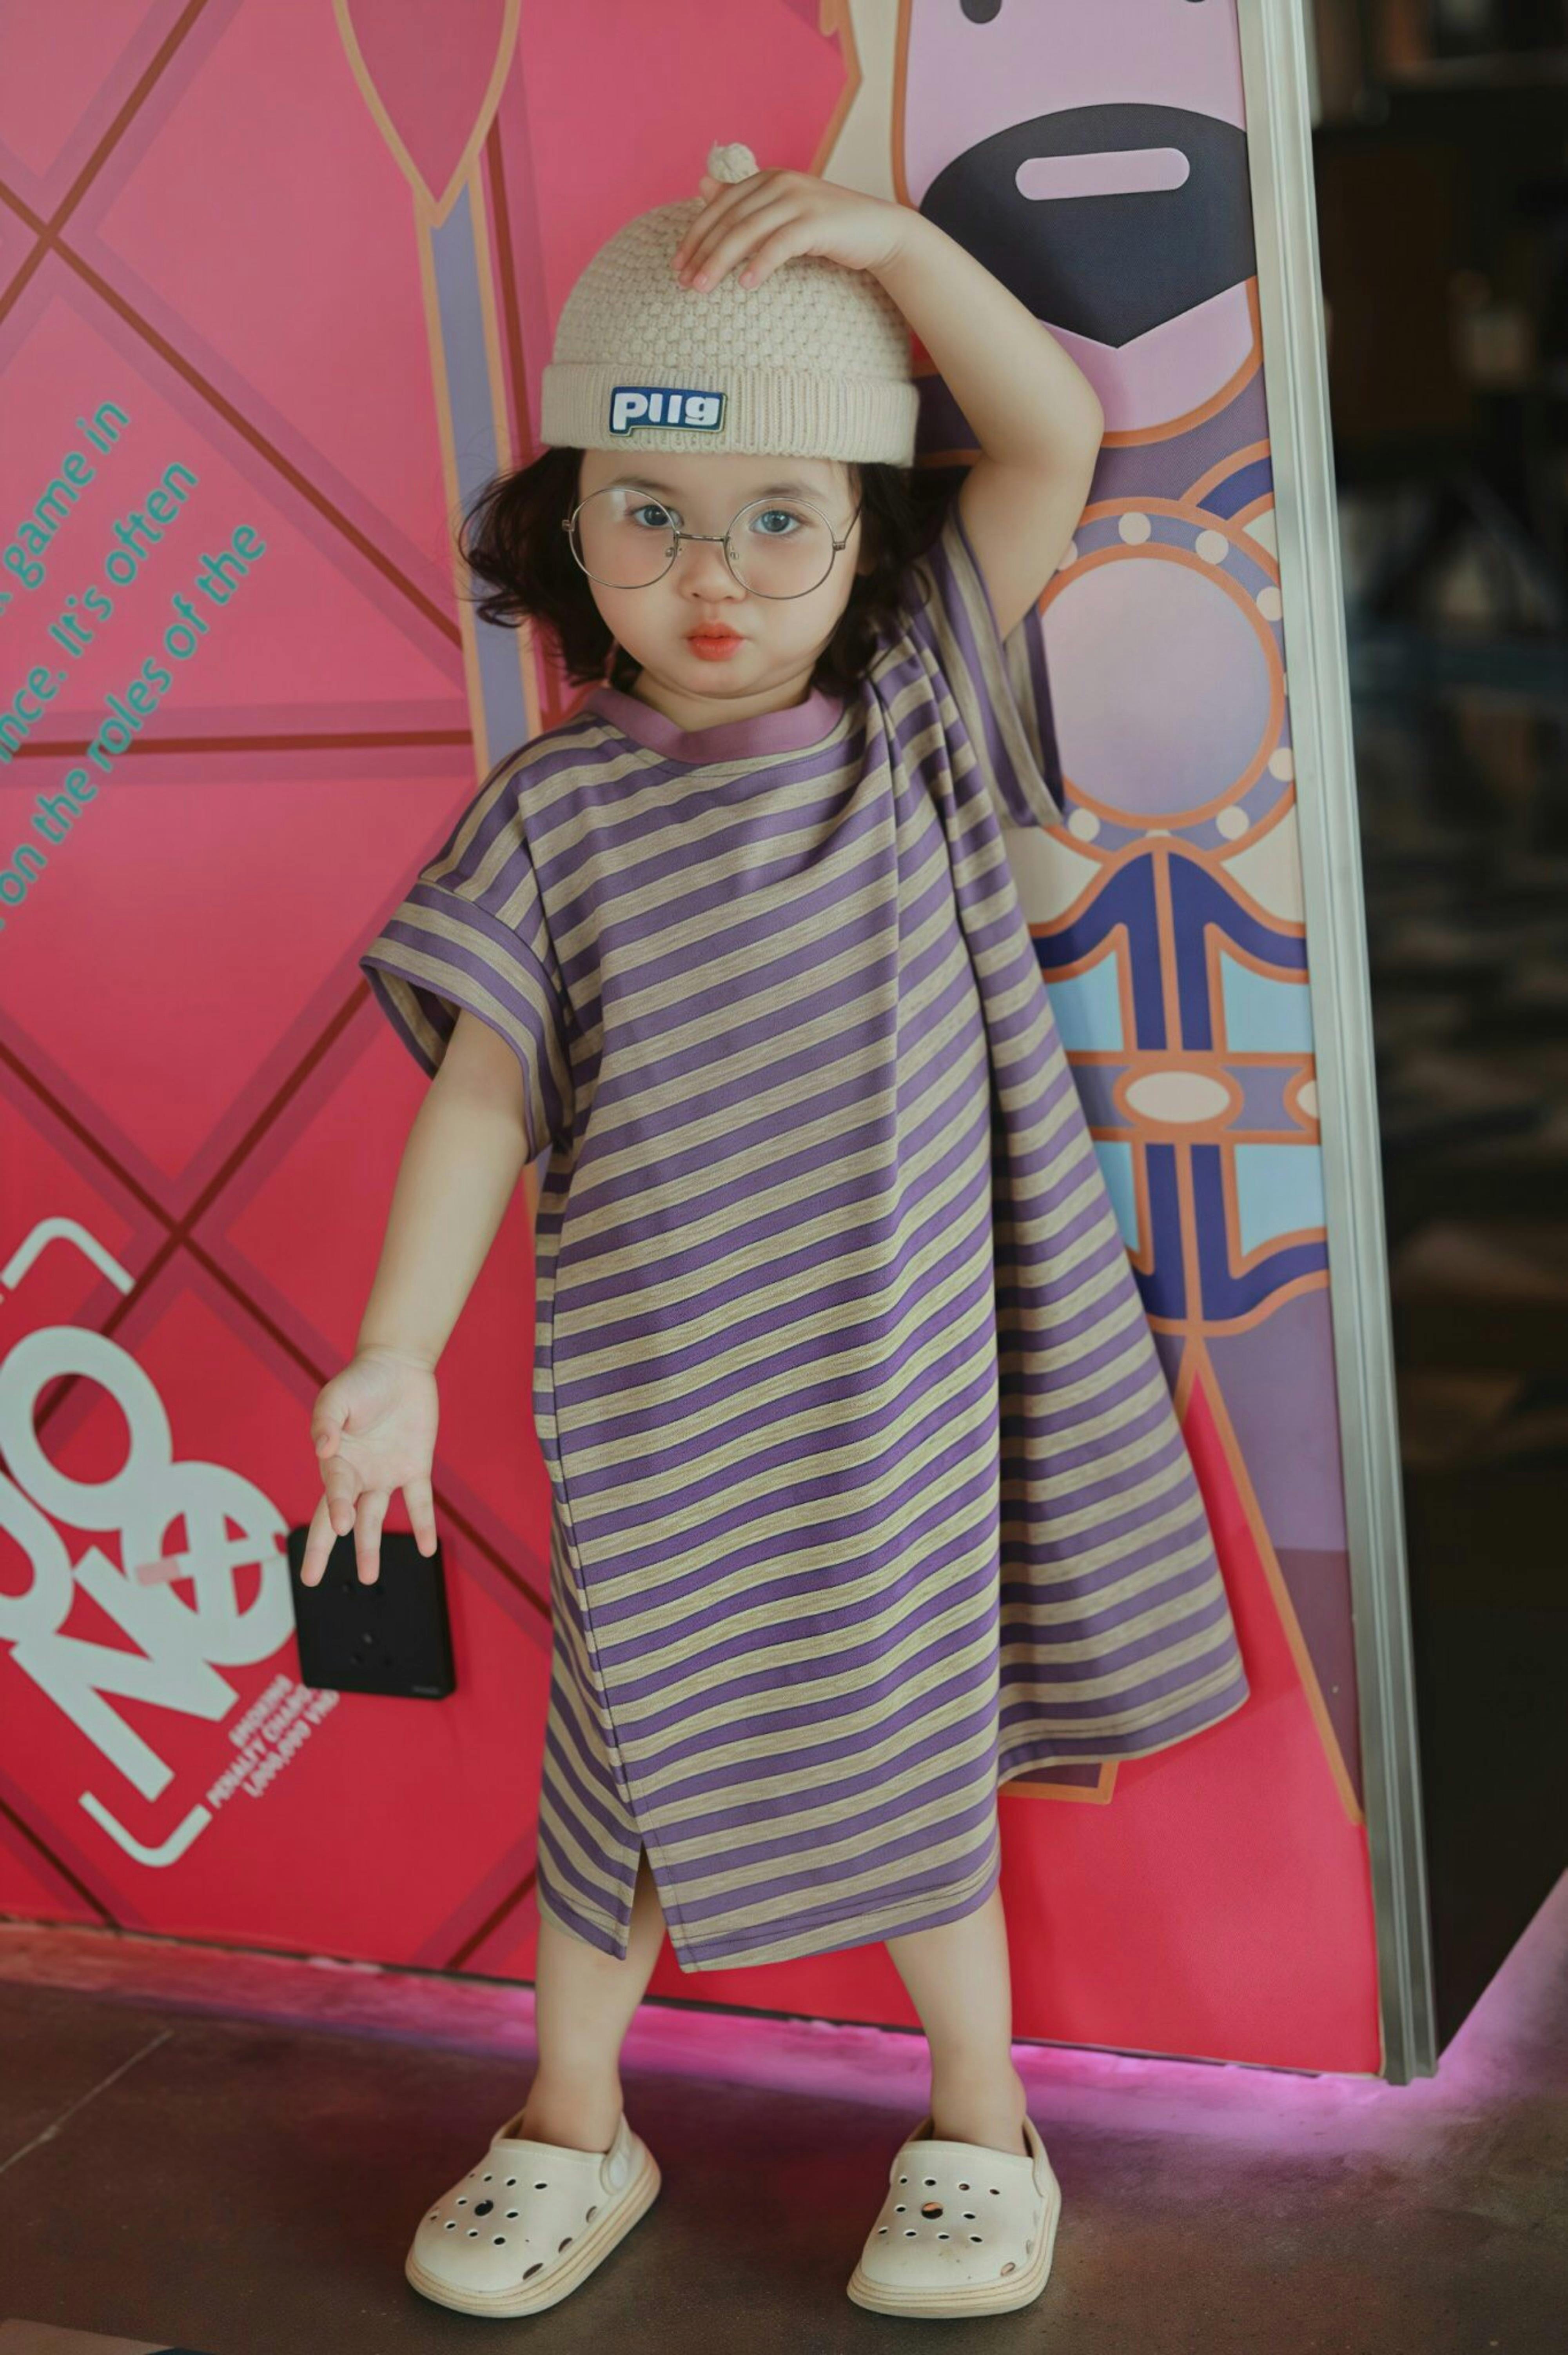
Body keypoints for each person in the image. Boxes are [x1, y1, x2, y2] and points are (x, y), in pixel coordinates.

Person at [303, 140, 1250, 2325]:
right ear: (569, 527)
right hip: (653, 1414)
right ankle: (569, 2114)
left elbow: (1055, 433)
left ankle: (981, 2119)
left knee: (915, 1752)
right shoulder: (557, 811)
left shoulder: (909, 702)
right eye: (648, 518)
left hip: (899, 1397)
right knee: (610, 1776)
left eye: (779, 521)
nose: (711, 579)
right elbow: (477, 1096)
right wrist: (390, 1349)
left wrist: (900, 253)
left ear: (862, 535)